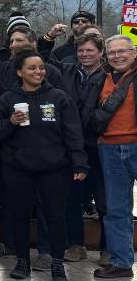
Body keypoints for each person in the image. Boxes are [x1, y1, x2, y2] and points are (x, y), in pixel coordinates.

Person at [0, 52, 87, 281]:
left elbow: (73, 133)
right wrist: (10, 122)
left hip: (54, 169)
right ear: (20, 72)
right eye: (31, 68)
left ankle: (57, 264)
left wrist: (79, 162)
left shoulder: (59, 98)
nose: (38, 72)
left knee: (55, 216)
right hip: (18, 169)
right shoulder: (7, 99)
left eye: (41, 67)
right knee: (20, 215)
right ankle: (22, 260)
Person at [79, 34, 137, 279]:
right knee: (116, 209)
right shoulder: (100, 79)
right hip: (109, 149)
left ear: (134, 53)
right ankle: (121, 262)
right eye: (112, 52)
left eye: (122, 51)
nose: (117, 56)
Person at [55, 31, 107, 263]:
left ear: (100, 52)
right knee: (72, 199)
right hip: (71, 146)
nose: (85, 55)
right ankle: (76, 245)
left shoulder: (110, 75)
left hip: (100, 145)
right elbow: (42, 59)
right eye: (81, 50)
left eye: (90, 51)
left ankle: (108, 248)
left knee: (105, 199)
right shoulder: (67, 71)